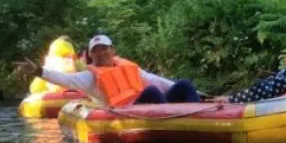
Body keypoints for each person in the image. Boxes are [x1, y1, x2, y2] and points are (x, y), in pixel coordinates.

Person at [35, 33, 202, 107]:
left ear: (112, 50)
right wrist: (38, 71)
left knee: (184, 84)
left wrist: (201, 93)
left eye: (105, 48)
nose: (101, 53)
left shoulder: (127, 67)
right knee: (150, 92)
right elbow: (65, 80)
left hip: (152, 105)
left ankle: (198, 115)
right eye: (97, 50)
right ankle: (176, 122)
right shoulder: (89, 77)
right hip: (130, 110)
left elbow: (157, 81)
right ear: (91, 55)